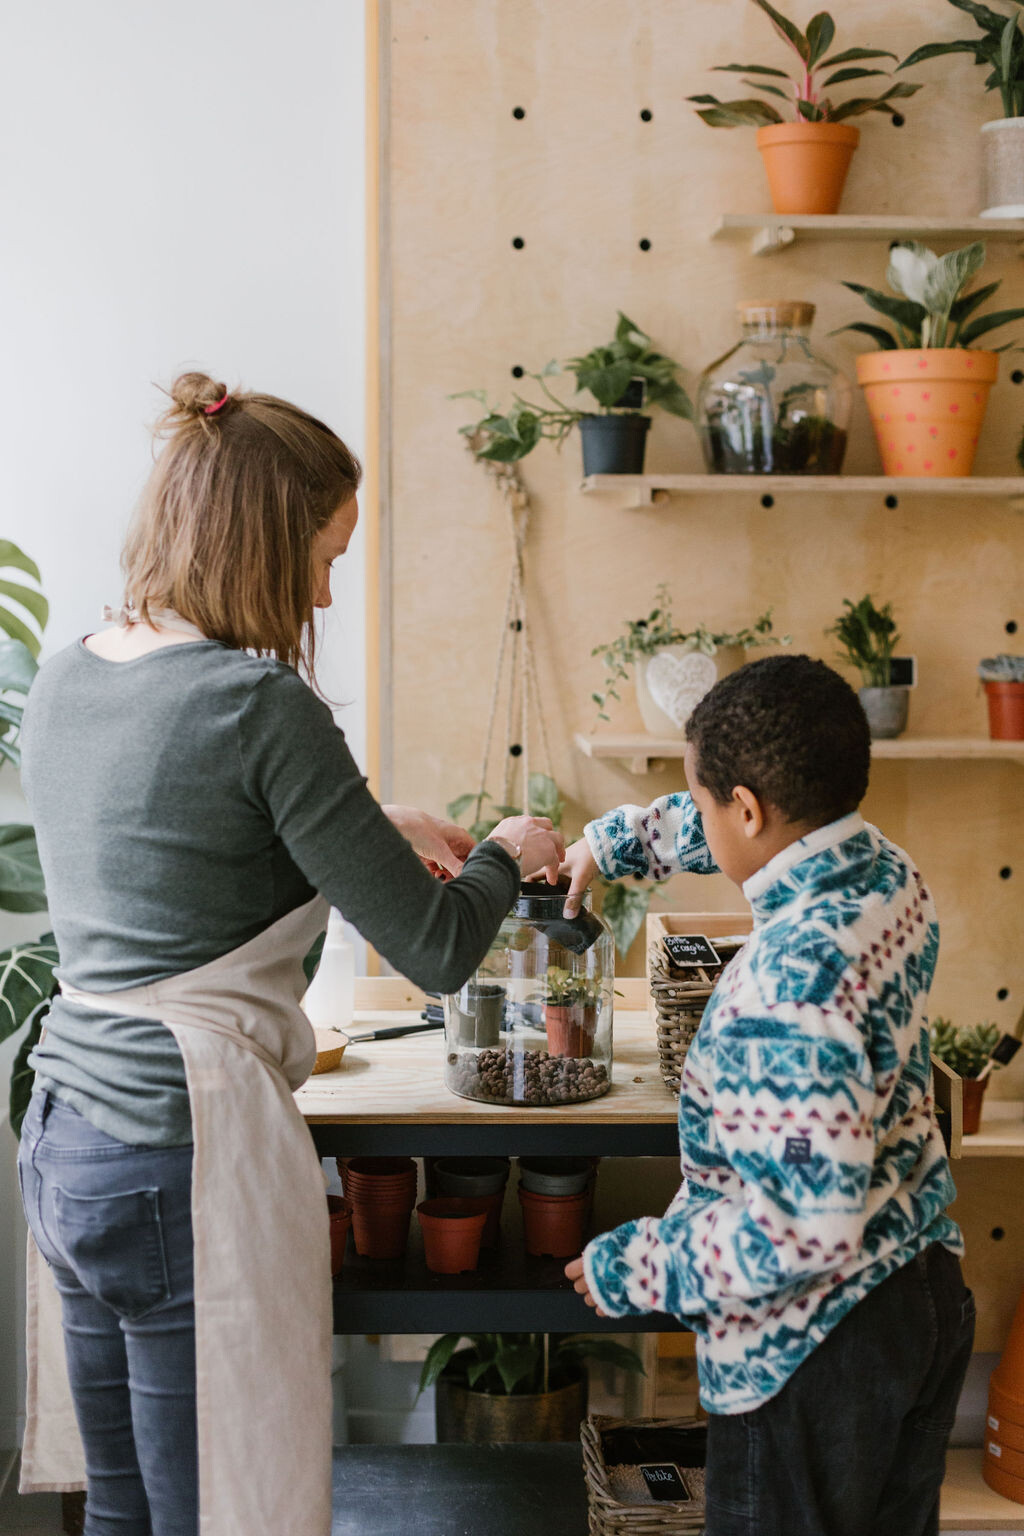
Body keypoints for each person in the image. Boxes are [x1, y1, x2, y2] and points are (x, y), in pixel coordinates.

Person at [16, 371, 563, 1536]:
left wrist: (374, 822)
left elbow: (175, 845)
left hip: (65, 1136)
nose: (322, 591)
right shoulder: (258, 703)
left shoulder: (69, 674)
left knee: (122, 1511)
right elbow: (436, 948)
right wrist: (506, 853)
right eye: (323, 558)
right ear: (263, 544)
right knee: (208, 1510)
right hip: (172, 1151)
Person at [560, 654, 973, 1536]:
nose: (699, 813)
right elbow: (742, 823)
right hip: (922, 1290)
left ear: (747, 808)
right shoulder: (885, 872)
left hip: (815, 1344)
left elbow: (804, 1229)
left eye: (702, 798)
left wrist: (640, 1265)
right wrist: (613, 844)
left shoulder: (786, 988)